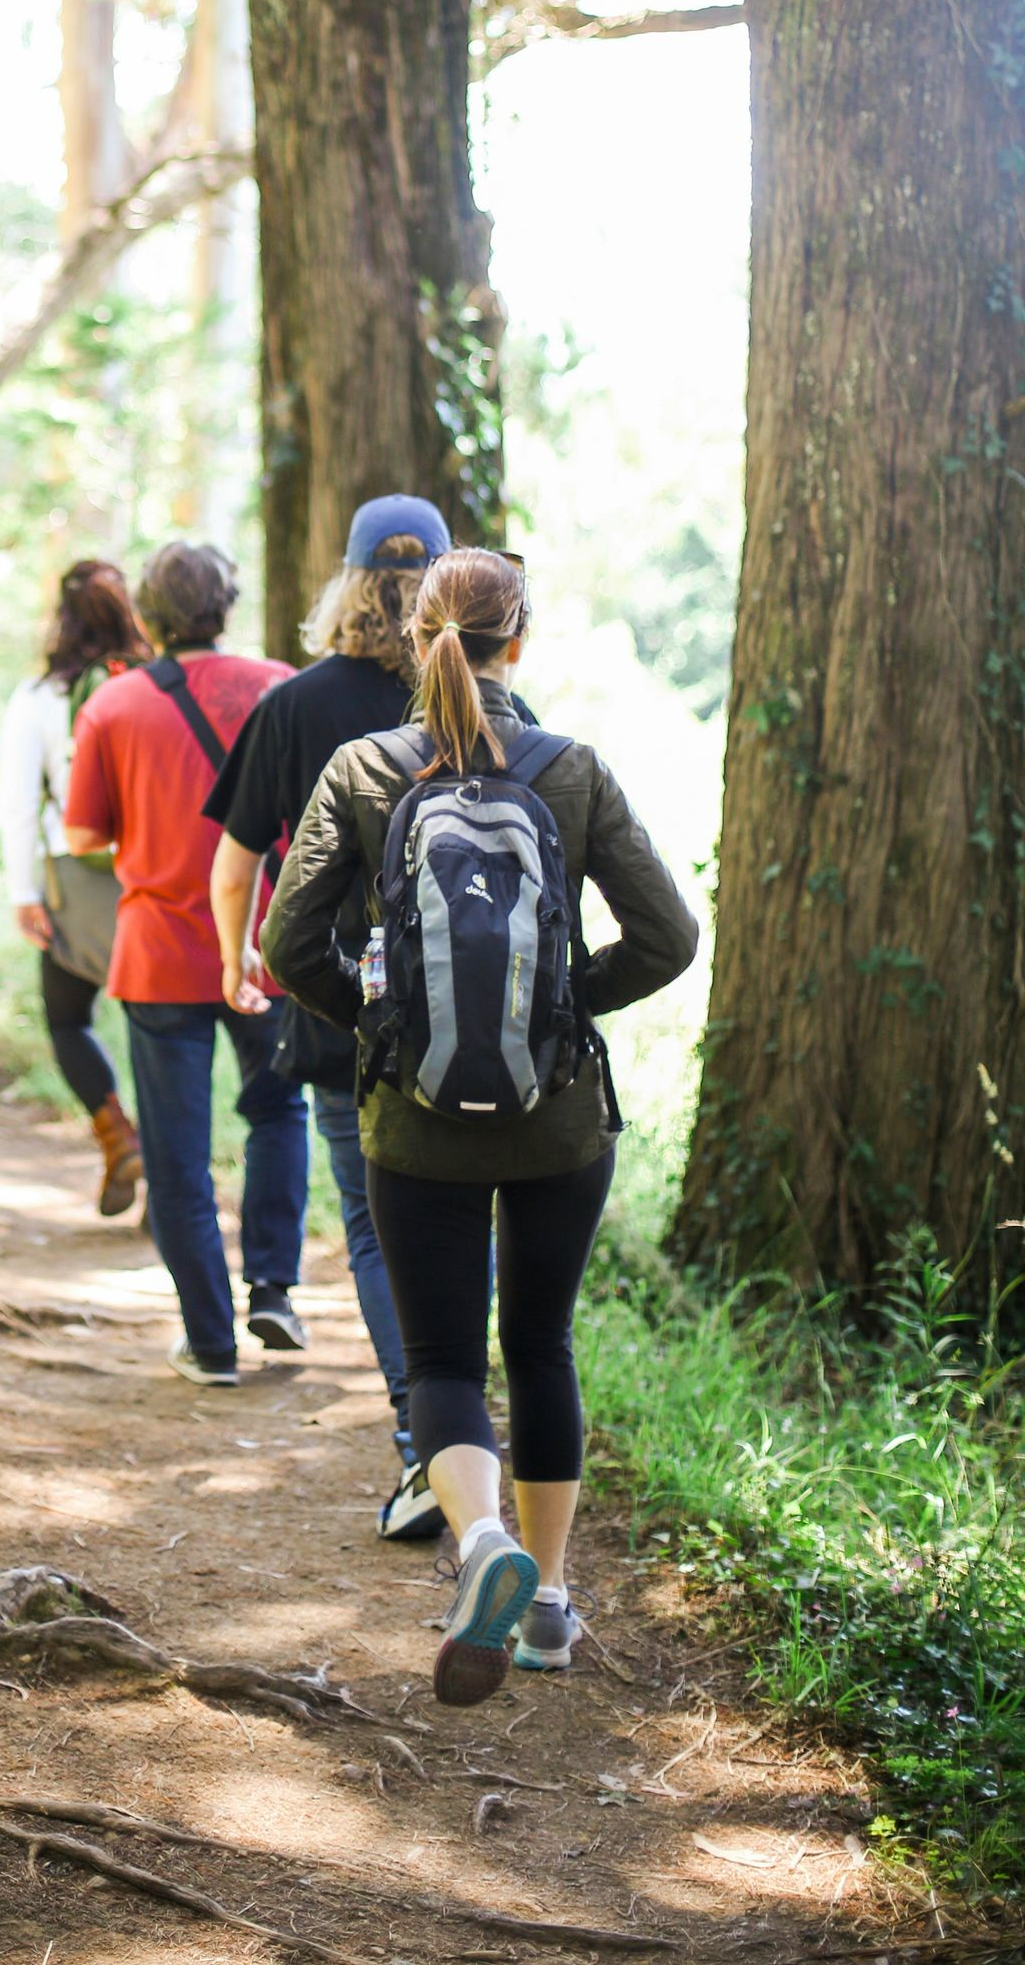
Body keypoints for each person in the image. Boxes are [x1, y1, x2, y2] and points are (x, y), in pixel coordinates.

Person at [262, 548, 697, 1703]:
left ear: (415, 637)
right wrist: (561, 1007)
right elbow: (669, 938)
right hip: (558, 1125)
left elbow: (286, 948)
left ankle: (484, 1541)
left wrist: (381, 1024)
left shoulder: (364, 768)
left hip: (414, 1123)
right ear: (523, 639)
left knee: (448, 1356)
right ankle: (548, 1603)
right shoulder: (573, 768)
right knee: (542, 1344)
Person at [207, 495, 453, 1534]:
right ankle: (468, 1425)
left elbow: (234, 863)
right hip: (472, 1011)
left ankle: (423, 1441)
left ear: (345, 585)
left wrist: (237, 963)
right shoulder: (482, 701)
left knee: (372, 1224)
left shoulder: (295, 705)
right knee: (464, 1215)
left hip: (340, 1006)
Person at [63, 539, 305, 1386]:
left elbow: (83, 833)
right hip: (268, 943)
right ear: (226, 605)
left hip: (162, 952)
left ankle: (210, 1342)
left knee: (177, 1155)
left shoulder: (115, 707)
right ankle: (273, 1285)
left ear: (150, 616)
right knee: (279, 1111)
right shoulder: (279, 686)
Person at [0, 560, 151, 1214]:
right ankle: (169, 1179)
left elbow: (16, 803)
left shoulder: (39, 698)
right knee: (158, 1031)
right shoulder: (156, 685)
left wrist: (23, 892)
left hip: (74, 879)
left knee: (68, 1018)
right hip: (155, 879)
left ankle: (116, 1130)